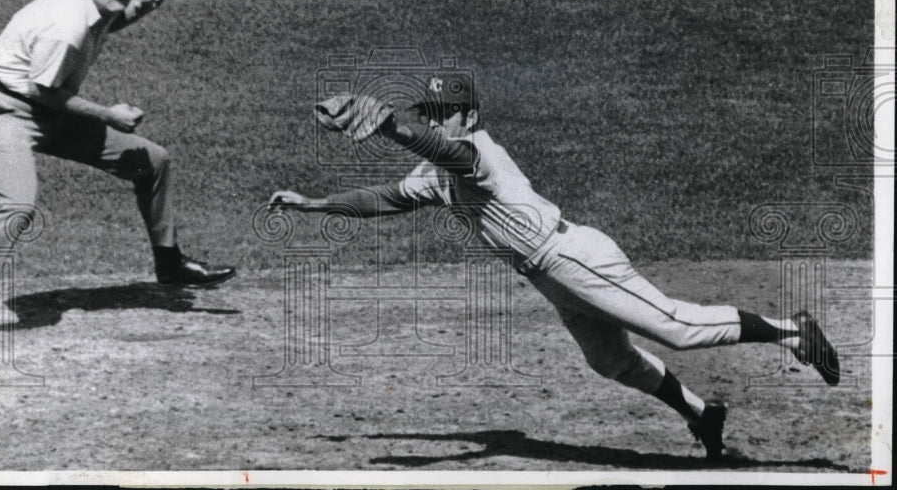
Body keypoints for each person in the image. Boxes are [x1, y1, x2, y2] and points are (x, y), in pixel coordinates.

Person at [269, 73, 840, 462]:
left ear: (468, 114)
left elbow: (446, 152)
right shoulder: (436, 172)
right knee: (612, 361)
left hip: (574, 258)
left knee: (677, 329)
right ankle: (702, 415)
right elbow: (386, 199)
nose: (438, 123)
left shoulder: (475, 153)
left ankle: (793, 331)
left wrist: (393, 125)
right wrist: (314, 204)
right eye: (431, 115)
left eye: (445, 114)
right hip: (550, 277)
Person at [0, 0, 236, 341]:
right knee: (18, 204)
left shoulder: (89, 1)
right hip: (5, 110)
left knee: (153, 160)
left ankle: (170, 263)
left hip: (48, 109)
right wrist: (108, 114)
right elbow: (44, 91)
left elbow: (107, 22)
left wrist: (142, 7)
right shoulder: (65, 24)